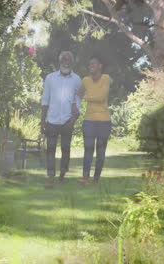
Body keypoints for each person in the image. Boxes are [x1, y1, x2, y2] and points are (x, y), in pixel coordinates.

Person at [41, 51, 81, 188]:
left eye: (69, 59)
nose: (66, 61)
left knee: (66, 149)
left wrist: (73, 120)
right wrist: (42, 122)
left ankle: (62, 175)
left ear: (72, 62)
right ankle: (51, 176)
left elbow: (78, 102)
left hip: (67, 122)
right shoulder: (50, 78)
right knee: (50, 150)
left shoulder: (77, 79)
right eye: (64, 59)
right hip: (51, 120)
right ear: (60, 61)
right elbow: (45, 100)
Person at [78, 55, 112, 185]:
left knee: (101, 152)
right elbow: (78, 95)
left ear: (100, 66)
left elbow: (101, 97)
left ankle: (96, 178)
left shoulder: (106, 78)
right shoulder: (85, 80)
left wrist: (86, 96)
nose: (90, 66)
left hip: (104, 121)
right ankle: (85, 177)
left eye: (93, 64)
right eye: (89, 64)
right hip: (89, 121)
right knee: (88, 149)